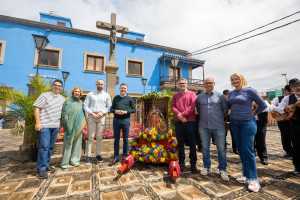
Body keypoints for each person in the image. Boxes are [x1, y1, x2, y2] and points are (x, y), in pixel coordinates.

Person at [228, 73, 267, 192]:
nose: (235, 81)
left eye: (237, 79)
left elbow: (263, 105)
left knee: (248, 150)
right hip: (234, 124)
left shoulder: (250, 91)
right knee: (241, 150)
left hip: (247, 124)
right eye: (232, 79)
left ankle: (253, 179)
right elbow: (229, 106)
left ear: (242, 79)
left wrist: (253, 113)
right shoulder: (231, 93)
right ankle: (246, 175)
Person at [196, 77, 229, 181]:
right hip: (204, 126)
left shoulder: (220, 96)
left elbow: (225, 110)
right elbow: (198, 110)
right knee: (205, 148)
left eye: (210, 83)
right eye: (206, 83)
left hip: (218, 126)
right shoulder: (199, 97)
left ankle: (222, 169)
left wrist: (218, 118)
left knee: (221, 149)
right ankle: (207, 167)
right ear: (204, 85)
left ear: (214, 84)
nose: (208, 84)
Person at [33, 79, 65, 179]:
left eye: (59, 86)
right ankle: (41, 169)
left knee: (50, 147)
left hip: (55, 126)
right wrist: (38, 122)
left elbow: (62, 113)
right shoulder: (45, 95)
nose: (57, 87)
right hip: (45, 125)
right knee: (44, 147)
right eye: (56, 85)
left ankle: (46, 165)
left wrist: (60, 127)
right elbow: (36, 108)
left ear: (61, 88)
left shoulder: (62, 99)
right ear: (52, 86)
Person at [272, 78, 300, 173]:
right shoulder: (287, 98)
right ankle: (297, 167)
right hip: (295, 124)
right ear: (291, 88)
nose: (296, 87)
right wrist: (286, 109)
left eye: (298, 85)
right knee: (296, 146)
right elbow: (280, 109)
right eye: (294, 86)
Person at [172, 78, 198, 173]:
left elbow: (192, 107)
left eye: (184, 83)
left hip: (190, 121)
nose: (182, 84)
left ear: (187, 84)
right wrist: (179, 116)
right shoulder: (175, 95)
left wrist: (182, 115)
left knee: (192, 144)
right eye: (180, 83)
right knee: (180, 144)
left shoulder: (192, 94)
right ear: (178, 85)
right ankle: (181, 163)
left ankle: (193, 164)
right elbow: (173, 107)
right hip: (179, 122)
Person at [84, 80, 111, 163]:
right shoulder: (90, 94)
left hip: (101, 117)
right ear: (96, 84)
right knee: (91, 137)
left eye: (102, 84)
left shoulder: (106, 95)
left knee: (99, 137)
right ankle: (88, 155)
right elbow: (85, 105)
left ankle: (98, 155)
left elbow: (109, 106)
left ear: (104, 85)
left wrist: (102, 112)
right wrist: (92, 113)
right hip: (92, 117)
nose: (100, 85)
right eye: (98, 83)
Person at [60, 87, 86, 169]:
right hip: (69, 126)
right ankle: (65, 162)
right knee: (68, 144)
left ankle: (74, 160)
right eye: (75, 91)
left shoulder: (81, 102)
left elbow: (83, 113)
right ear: (73, 92)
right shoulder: (67, 101)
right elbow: (64, 114)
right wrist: (66, 125)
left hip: (79, 126)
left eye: (78, 92)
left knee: (77, 144)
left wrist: (83, 123)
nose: (77, 93)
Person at [110, 83, 135, 165]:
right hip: (116, 120)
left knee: (125, 139)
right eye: (121, 88)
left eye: (124, 88)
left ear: (127, 90)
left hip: (125, 121)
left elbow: (134, 109)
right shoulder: (116, 98)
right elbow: (111, 109)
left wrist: (126, 111)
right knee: (116, 139)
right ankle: (116, 156)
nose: (123, 89)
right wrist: (115, 111)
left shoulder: (130, 99)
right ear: (119, 89)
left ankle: (125, 155)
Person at [271, 85, 292, 157]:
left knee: (294, 136)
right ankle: (287, 151)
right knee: (285, 136)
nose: (289, 93)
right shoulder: (278, 98)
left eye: (291, 91)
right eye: (288, 91)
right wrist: (278, 110)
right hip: (282, 121)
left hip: (292, 120)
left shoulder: (294, 98)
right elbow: (272, 106)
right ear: (285, 91)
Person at [254, 93, 270, 165]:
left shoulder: (264, 102)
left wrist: (257, 107)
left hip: (261, 123)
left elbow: (267, 108)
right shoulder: (249, 102)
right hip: (251, 122)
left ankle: (263, 157)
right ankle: (253, 154)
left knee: (261, 139)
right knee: (251, 140)